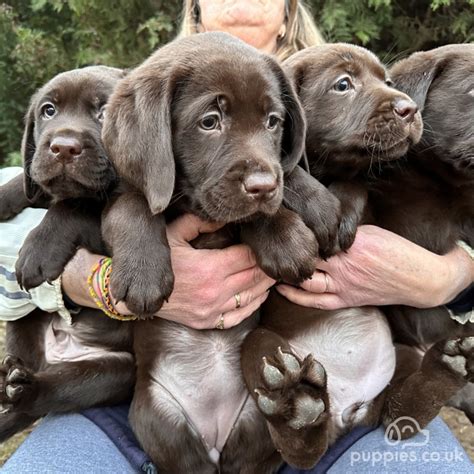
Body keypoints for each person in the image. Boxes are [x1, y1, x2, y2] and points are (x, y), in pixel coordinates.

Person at [0, 1, 472, 472]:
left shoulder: (343, 85)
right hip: (143, 394)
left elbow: (428, 195)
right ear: (196, 10)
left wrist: (446, 275)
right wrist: (93, 280)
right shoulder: (145, 87)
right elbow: (38, 213)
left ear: (289, 12)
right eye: (210, 120)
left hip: (312, 385)